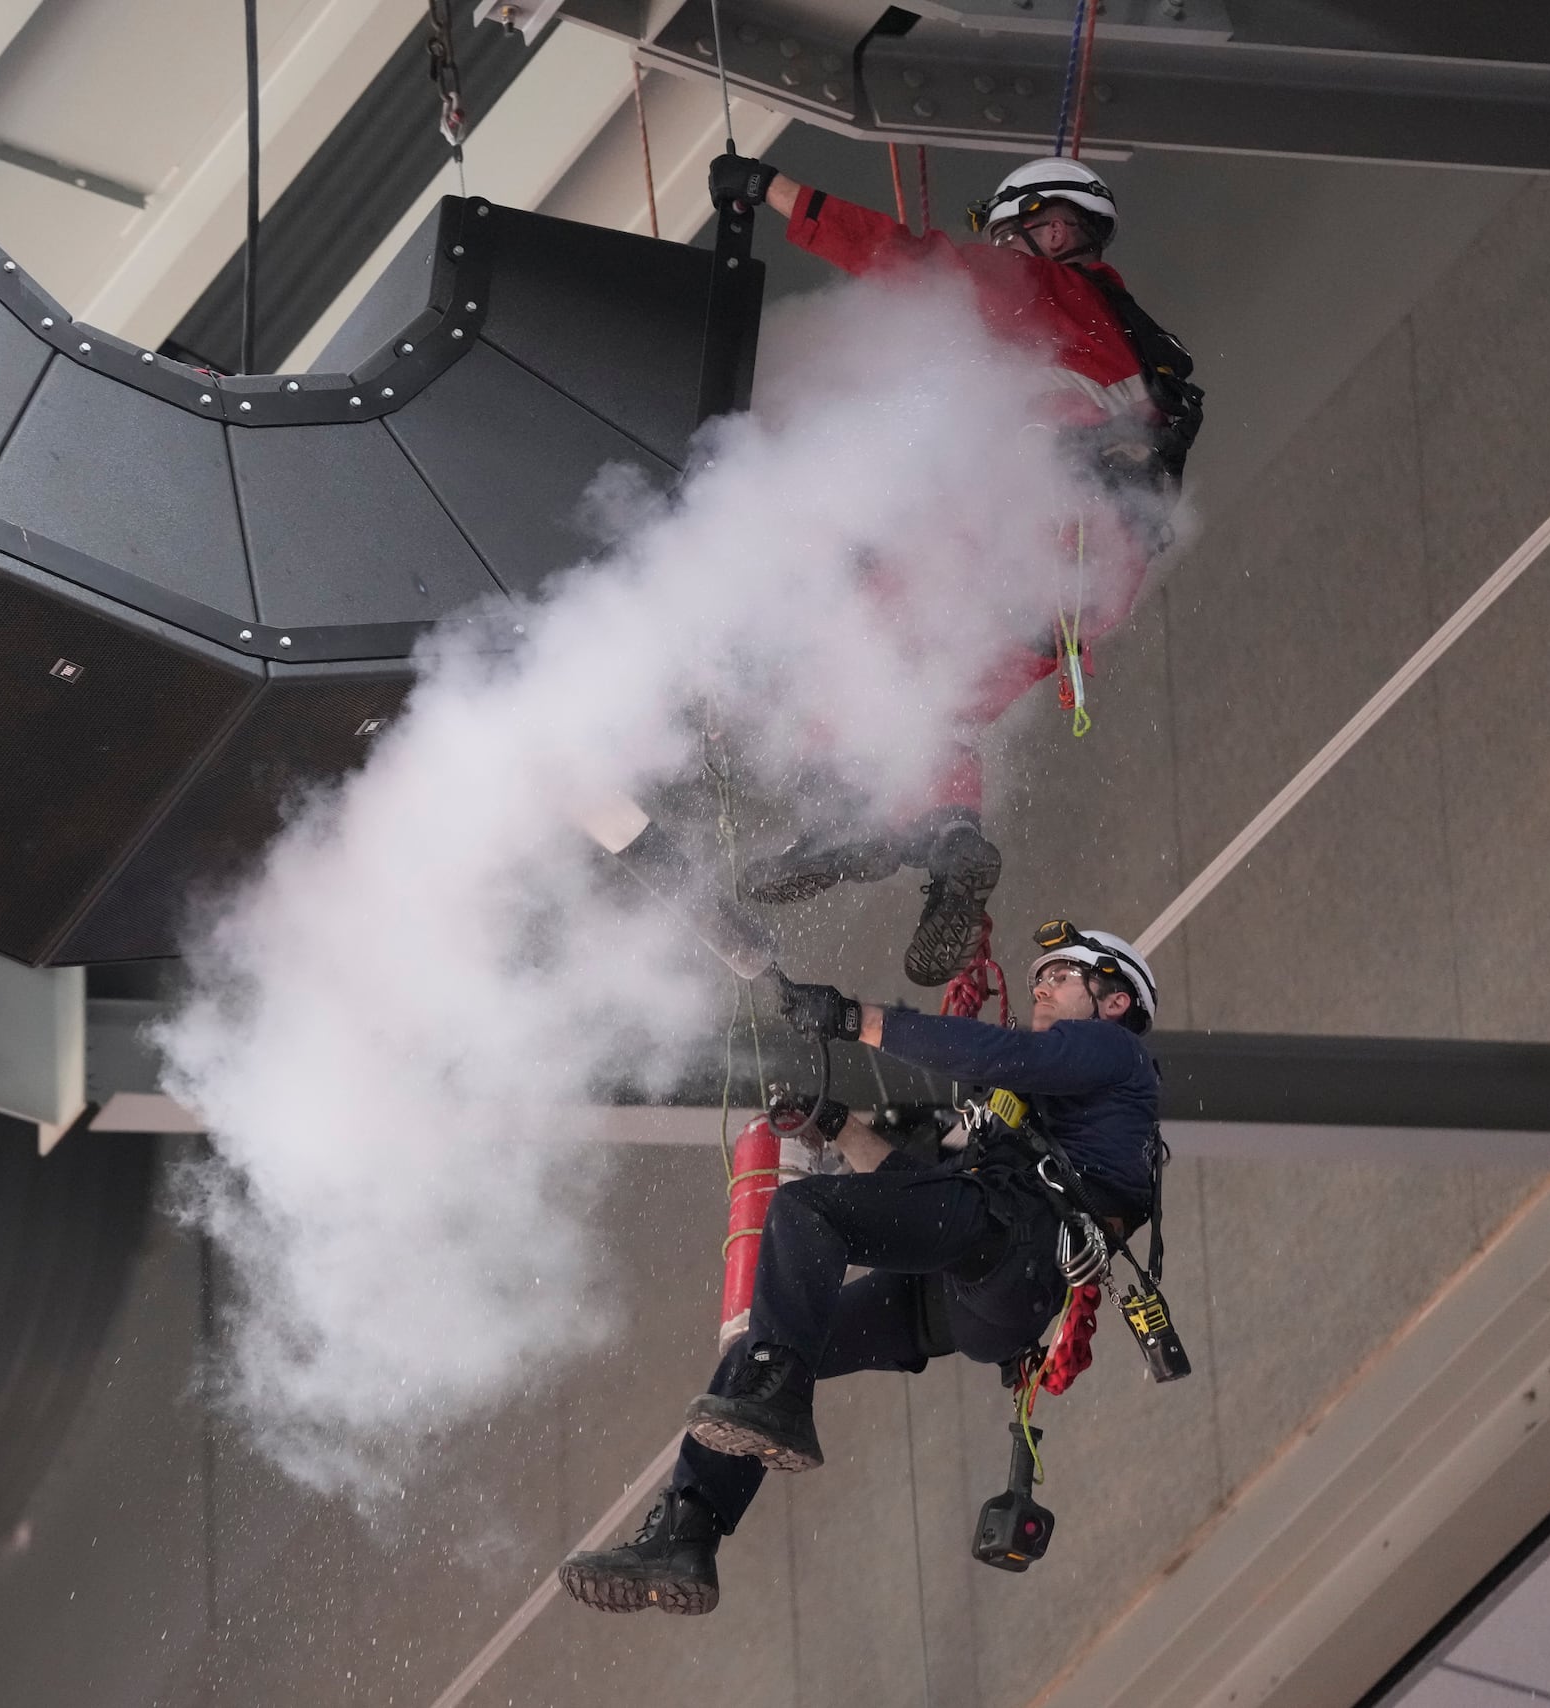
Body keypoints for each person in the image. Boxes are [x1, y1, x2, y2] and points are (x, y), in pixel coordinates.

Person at [701, 152, 1202, 988]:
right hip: (1091, 585)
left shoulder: (1031, 289)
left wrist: (771, 188)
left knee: (849, 632)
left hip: (1029, 531)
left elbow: (898, 258)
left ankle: (843, 817)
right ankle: (947, 835)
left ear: (1040, 227)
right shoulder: (1140, 344)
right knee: (938, 707)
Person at [557, 922, 1162, 1615]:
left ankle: (778, 1399)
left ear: (1114, 1002)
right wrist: (841, 1127)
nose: (1040, 988)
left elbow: (998, 1056)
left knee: (805, 1214)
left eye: (1061, 976)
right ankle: (688, 1531)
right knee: (758, 1352)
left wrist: (857, 1020)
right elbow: (917, 1199)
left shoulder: (1115, 1055)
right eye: (1038, 980)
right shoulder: (1034, 1114)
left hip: (1013, 1246)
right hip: (968, 1285)